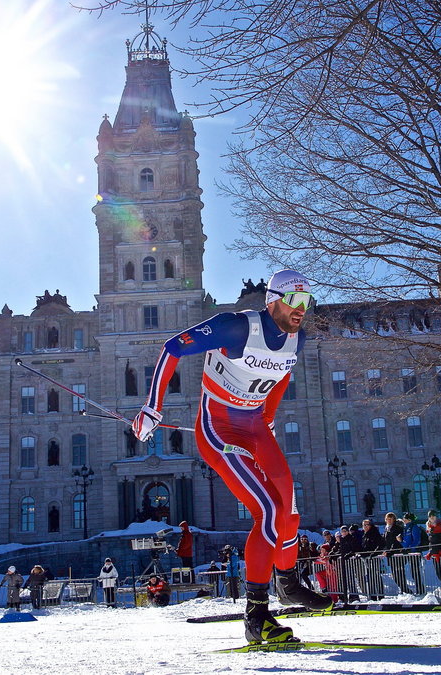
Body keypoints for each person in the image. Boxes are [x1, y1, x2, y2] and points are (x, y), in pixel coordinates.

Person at [131, 269, 330, 645]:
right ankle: (256, 615)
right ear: (273, 301)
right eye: (294, 301)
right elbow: (173, 347)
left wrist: (268, 420)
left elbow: (282, 377)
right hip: (218, 427)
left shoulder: (296, 339)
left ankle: (288, 584)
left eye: (307, 302)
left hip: (254, 426)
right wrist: (152, 408)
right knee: (268, 510)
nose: (302, 309)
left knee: (289, 510)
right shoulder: (235, 327)